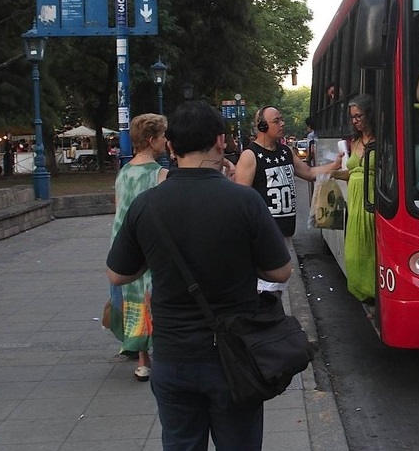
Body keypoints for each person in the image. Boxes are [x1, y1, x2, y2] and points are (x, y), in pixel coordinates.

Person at [106, 100, 291, 451]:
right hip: (234, 356)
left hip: (173, 357)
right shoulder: (244, 201)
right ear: (221, 141)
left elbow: (117, 274)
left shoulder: (147, 204)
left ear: (171, 147)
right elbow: (280, 270)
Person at [233, 105, 342, 297]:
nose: (282, 123)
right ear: (262, 126)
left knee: (279, 289)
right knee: (266, 292)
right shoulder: (250, 156)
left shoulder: (285, 152)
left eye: (281, 119)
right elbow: (240, 200)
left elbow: (308, 173)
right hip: (264, 235)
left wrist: (334, 165)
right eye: (276, 121)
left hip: (285, 233)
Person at [107, 113, 169, 382]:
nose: (166, 141)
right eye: (164, 136)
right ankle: (155, 354)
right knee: (152, 296)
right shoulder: (160, 174)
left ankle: (142, 357)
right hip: (150, 244)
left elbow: (118, 209)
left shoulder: (123, 172)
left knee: (134, 297)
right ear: (153, 140)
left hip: (122, 242)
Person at [330, 95, 377, 303]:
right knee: (355, 250)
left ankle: (375, 292)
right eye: (352, 117)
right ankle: (361, 291)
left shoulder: (382, 140)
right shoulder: (355, 141)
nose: (355, 121)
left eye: (359, 116)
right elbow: (352, 173)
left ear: (370, 114)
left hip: (373, 200)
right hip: (355, 203)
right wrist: (330, 172)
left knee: (371, 249)